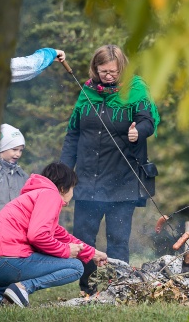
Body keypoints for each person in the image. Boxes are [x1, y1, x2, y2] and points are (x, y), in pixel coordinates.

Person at [60, 44, 160, 294]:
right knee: (83, 239)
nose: (109, 76)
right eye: (103, 71)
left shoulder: (134, 91)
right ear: (95, 69)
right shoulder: (87, 92)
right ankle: (87, 288)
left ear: (122, 68)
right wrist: (63, 173)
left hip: (121, 181)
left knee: (117, 239)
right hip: (86, 180)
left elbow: (148, 120)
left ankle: (119, 288)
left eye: (113, 72)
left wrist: (139, 131)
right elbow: (73, 133)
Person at [0, 162, 108, 307]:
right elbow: (37, 236)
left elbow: (62, 236)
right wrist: (66, 251)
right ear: (63, 188)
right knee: (75, 267)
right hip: (2, 262)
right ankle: (22, 289)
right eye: (73, 188)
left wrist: (92, 253)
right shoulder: (50, 194)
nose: (73, 194)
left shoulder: (35, 196)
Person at [0, 124, 29, 223]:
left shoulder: (22, 176)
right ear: (1, 148)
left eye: (21, 150)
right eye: (14, 149)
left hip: (16, 229)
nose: (18, 154)